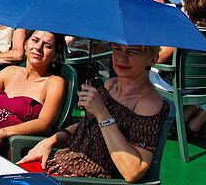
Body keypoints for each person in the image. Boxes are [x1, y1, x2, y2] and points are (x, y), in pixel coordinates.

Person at [17, 44, 170, 182]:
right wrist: (50, 141)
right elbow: (87, 126)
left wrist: (102, 114)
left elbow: (133, 171)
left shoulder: (148, 103)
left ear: (152, 59)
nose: (121, 58)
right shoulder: (111, 85)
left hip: (83, 179)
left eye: (133, 52)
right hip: (61, 163)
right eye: (117, 49)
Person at [152, 0, 206, 135]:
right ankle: (193, 121)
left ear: (186, 8)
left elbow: (160, 58)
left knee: (142, 72)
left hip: (178, 84)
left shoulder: (183, 30)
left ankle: (164, 119)